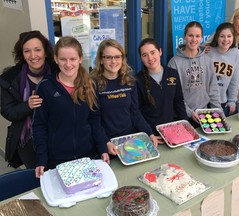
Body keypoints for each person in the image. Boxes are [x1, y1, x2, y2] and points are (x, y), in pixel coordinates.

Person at [33, 36, 109, 178]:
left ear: (80, 59)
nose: (68, 64)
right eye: (63, 59)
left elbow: (95, 120)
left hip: (87, 155)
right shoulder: (46, 87)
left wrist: (102, 148)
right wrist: (41, 159)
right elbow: (39, 125)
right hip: (57, 159)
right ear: (56, 59)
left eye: (73, 59)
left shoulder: (90, 84)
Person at [90, 39, 161, 156]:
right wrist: (104, 143)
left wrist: (149, 133)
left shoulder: (129, 81)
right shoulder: (93, 84)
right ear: (101, 60)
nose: (113, 61)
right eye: (108, 57)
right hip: (109, 144)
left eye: (117, 57)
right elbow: (94, 120)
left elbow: (135, 113)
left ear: (122, 59)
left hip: (130, 141)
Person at [0, 31, 58, 168]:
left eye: (37, 50)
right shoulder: (9, 79)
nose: (33, 56)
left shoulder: (58, 71)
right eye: (27, 51)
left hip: (58, 134)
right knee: (37, 178)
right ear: (22, 54)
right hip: (29, 141)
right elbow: (7, 112)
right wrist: (28, 105)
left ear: (45, 51)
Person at [168, 21, 221, 127]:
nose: (194, 39)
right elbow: (172, 94)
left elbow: (213, 89)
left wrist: (219, 113)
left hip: (204, 114)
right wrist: (188, 112)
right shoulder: (174, 63)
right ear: (184, 37)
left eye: (197, 36)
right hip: (183, 115)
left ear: (202, 38)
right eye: (190, 35)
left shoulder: (207, 60)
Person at [136, 38, 188, 134]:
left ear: (160, 51)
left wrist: (185, 125)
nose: (150, 58)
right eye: (145, 55)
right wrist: (149, 134)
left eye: (153, 52)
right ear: (141, 58)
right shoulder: (137, 80)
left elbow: (178, 101)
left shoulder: (173, 74)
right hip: (152, 134)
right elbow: (136, 111)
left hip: (172, 131)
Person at [207, 22, 239, 116]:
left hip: (222, 101)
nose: (226, 39)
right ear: (217, 37)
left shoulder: (236, 54)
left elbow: (235, 81)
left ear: (233, 38)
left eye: (229, 36)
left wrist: (232, 100)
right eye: (222, 36)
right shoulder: (208, 51)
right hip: (205, 102)